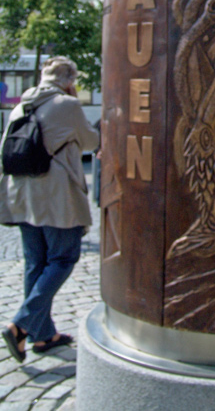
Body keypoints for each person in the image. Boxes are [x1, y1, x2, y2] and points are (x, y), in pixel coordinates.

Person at [0, 56, 99, 362]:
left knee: (36, 262)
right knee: (64, 257)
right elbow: (90, 141)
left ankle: (43, 336)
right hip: (54, 195)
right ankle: (21, 324)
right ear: (69, 81)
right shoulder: (66, 105)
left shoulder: (22, 104)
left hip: (22, 193)